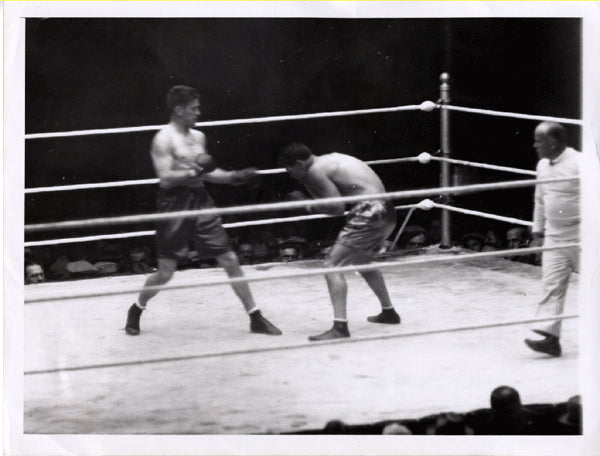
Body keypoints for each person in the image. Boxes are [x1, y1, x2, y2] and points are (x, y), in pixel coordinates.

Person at [125, 85, 281, 336]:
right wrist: (194, 171)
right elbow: (165, 178)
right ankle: (137, 308)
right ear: (179, 110)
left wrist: (234, 177)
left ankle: (256, 317)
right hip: (173, 204)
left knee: (229, 258)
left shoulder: (199, 138)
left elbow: (209, 174)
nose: (199, 112)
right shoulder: (163, 138)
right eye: (194, 108)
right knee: (166, 272)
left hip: (200, 201)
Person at [278, 143, 400, 341]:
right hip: (387, 211)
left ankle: (340, 328)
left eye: (290, 170)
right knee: (362, 262)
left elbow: (336, 208)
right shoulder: (329, 159)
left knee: (331, 266)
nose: (290, 175)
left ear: (300, 163)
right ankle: (389, 313)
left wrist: (306, 205)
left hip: (368, 212)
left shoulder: (316, 171)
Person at [524, 122, 580, 357]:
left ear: (553, 142)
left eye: (539, 140)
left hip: (583, 232)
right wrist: (538, 232)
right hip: (555, 235)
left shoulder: (581, 163)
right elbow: (540, 199)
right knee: (552, 284)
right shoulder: (542, 166)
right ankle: (550, 338)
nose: (535, 145)